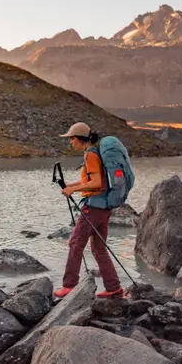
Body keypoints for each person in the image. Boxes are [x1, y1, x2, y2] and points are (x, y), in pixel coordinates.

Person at [54, 122, 124, 299]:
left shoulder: (90, 155)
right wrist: (72, 185)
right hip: (103, 208)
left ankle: (69, 286)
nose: (70, 142)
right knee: (99, 248)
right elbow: (94, 180)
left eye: (72, 138)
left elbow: (97, 183)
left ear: (79, 138)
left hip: (93, 208)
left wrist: (73, 190)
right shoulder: (95, 152)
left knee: (75, 244)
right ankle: (114, 288)